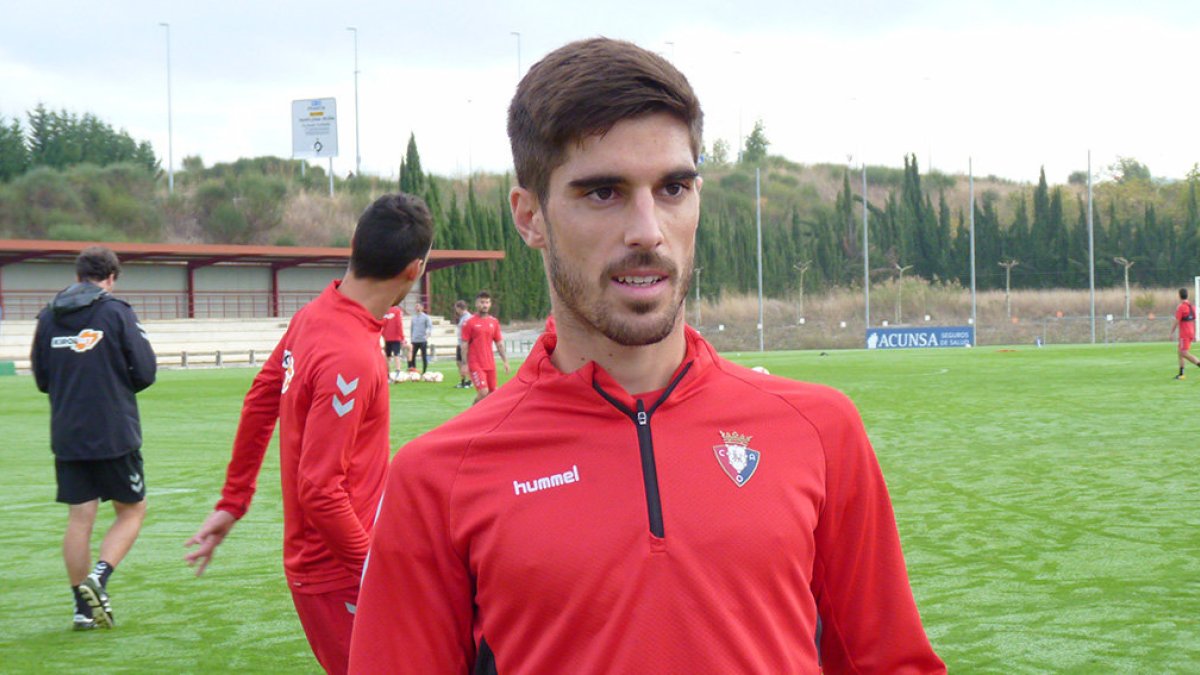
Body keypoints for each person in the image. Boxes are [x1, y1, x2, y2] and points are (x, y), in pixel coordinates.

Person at [350, 38, 944, 673]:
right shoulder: (437, 478)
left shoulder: (820, 431)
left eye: (673, 188)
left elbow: (890, 662)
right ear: (530, 217)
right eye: (602, 192)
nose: (647, 231)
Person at [184, 193, 433, 674]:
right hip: (337, 572)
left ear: (354, 241)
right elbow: (319, 489)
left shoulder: (315, 315)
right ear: (414, 270)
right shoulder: (351, 356)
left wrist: (234, 500)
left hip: (347, 558)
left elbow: (260, 400)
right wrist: (371, 574)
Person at [31, 246, 157, 631]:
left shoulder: (49, 317)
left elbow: (41, 378)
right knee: (132, 509)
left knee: (79, 517)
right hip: (114, 430)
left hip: (68, 432)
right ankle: (98, 579)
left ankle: (81, 610)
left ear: (77, 276)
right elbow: (146, 371)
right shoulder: (117, 312)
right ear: (112, 278)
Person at [460, 290, 509, 402]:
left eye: (487, 302)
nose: (485, 305)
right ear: (476, 304)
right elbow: (464, 345)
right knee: (483, 392)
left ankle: (485, 417)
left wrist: (505, 361)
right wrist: (464, 364)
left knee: (493, 393)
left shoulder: (494, 322)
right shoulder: (469, 322)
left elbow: (499, 343)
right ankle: (471, 414)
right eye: (482, 302)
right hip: (475, 363)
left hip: (490, 363)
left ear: (490, 304)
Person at [1170, 287, 1199, 379]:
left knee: (1184, 353)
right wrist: (1194, 334)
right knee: (1180, 352)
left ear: (1179, 296)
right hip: (1190, 332)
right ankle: (1181, 373)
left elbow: (1177, 321)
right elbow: (1194, 320)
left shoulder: (1181, 307)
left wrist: (1171, 332)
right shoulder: (1192, 307)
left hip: (1184, 334)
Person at [381, 303, 408, 382]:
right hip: (395, 337)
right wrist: (402, 337)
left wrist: (383, 335)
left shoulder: (385, 311)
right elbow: (399, 324)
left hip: (386, 337)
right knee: (397, 354)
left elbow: (383, 324)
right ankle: (398, 372)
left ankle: (387, 374)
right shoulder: (397, 311)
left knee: (388, 357)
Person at [407, 302, 432, 374]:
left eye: (418, 306)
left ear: (422, 307)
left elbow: (429, 327)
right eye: (416, 306)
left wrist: (427, 335)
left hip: (422, 340)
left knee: (423, 356)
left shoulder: (426, 317)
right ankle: (414, 370)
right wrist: (411, 338)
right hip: (414, 340)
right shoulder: (413, 318)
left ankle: (424, 371)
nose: (417, 308)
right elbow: (412, 328)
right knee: (413, 356)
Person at [452, 299, 472, 388]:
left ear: (460, 308)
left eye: (456, 308)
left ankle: (467, 381)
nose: (456, 311)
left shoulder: (468, 317)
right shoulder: (463, 317)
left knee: (464, 362)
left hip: (465, 344)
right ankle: (465, 380)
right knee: (459, 362)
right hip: (460, 343)